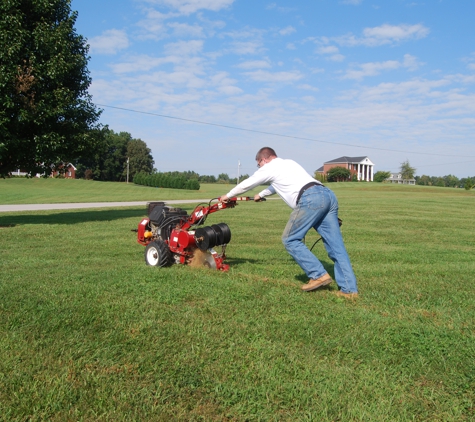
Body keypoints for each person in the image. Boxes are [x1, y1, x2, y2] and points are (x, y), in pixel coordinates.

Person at [220, 147, 358, 298]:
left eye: (258, 165)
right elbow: (276, 185)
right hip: (328, 195)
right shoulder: (288, 163)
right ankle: (349, 291)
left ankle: (318, 274)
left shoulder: (269, 167)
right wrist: (262, 194)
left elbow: (248, 183)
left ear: (263, 160)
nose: (259, 168)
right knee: (336, 247)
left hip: (311, 198)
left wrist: (228, 195)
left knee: (290, 239)